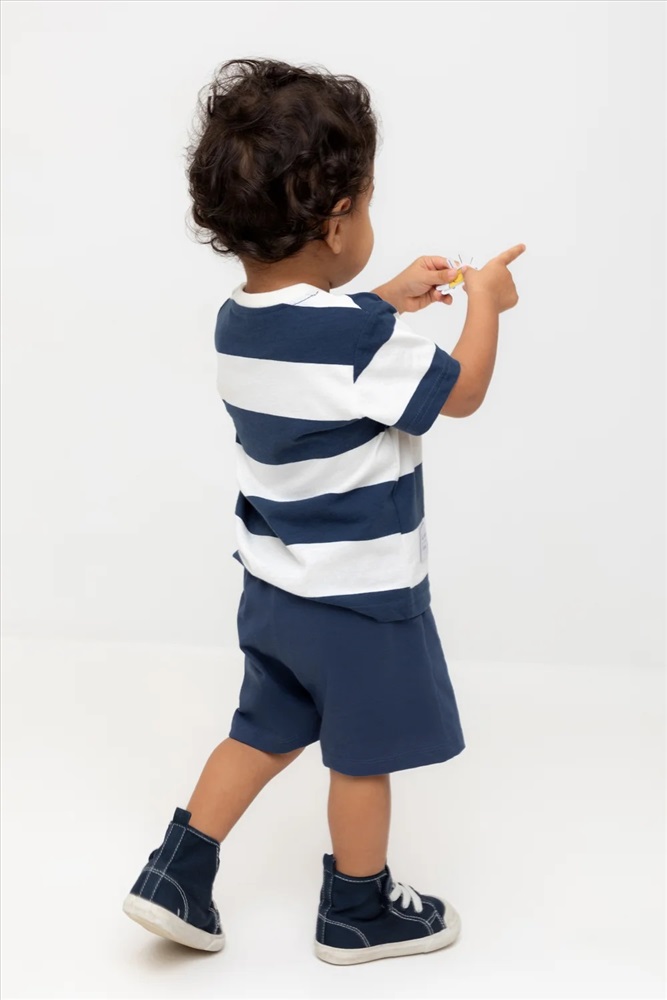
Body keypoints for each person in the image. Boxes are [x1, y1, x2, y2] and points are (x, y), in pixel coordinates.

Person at [122, 57, 525, 966]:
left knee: (259, 732)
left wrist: (383, 298)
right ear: (338, 220)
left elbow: (320, 346)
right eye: (369, 203)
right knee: (361, 753)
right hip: (359, 597)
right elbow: (460, 393)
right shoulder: (354, 339)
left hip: (274, 589)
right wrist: (486, 305)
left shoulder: (241, 323)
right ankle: (357, 907)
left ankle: (176, 870)